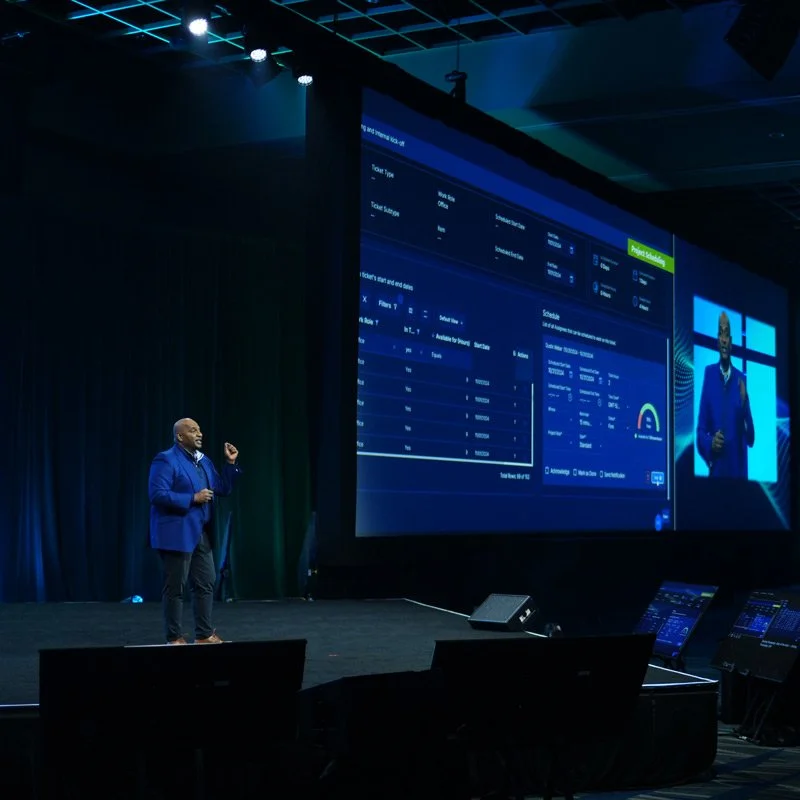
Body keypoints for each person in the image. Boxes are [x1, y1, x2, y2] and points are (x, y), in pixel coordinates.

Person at [148, 418, 242, 644]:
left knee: (206, 582)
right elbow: (157, 494)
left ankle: (204, 634)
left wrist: (230, 464)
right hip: (176, 533)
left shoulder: (203, 460)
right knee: (175, 588)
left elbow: (222, 489)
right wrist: (192, 498)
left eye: (199, 430)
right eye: (193, 431)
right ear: (180, 436)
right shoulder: (166, 459)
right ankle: (174, 637)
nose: (199, 434)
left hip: (201, 533)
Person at [696, 311, 755, 478]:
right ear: (717, 340)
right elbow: (700, 432)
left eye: (727, 334)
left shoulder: (741, 379)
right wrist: (710, 443)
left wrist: (745, 404)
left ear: (731, 342)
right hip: (716, 478)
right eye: (721, 334)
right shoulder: (709, 374)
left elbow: (751, 438)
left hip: (739, 480)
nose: (723, 339)